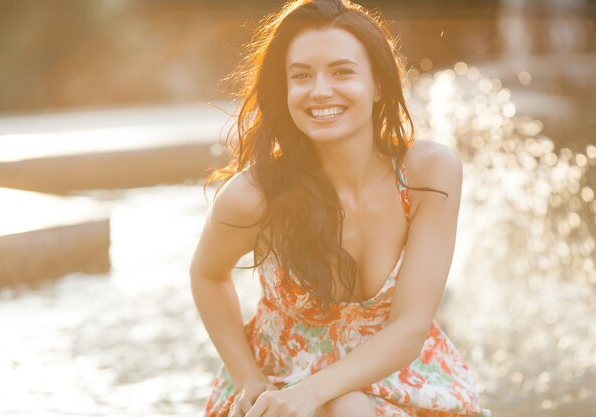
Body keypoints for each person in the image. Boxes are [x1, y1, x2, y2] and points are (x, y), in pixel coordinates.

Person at [190, 0, 492, 416]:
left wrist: (315, 393)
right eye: (301, 76)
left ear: (379, 84)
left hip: (398, 378)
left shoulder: (428, 174)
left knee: (349, 406)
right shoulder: (256, 195)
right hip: (281, 386)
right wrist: (247, 378)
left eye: (342, 72)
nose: (319, 90)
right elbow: (207, 274)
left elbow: (410, 327)